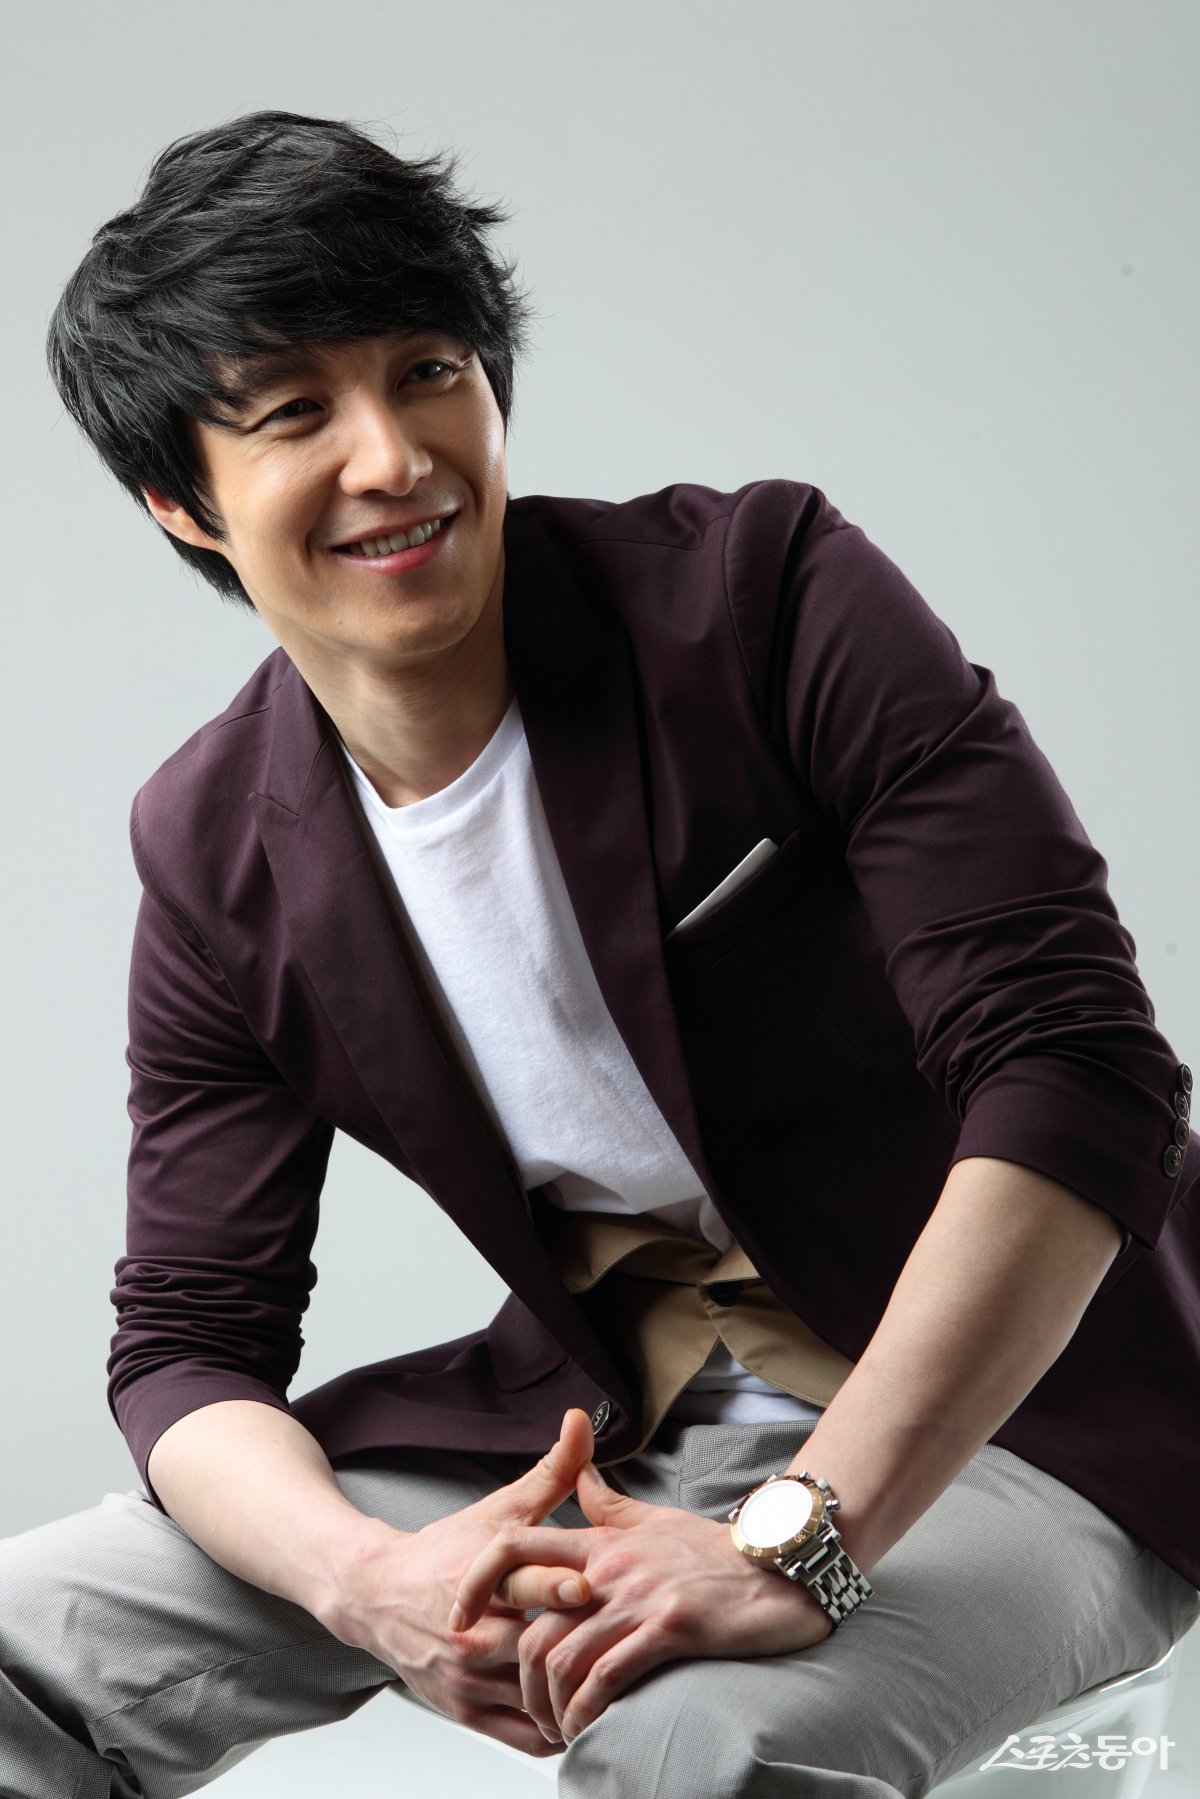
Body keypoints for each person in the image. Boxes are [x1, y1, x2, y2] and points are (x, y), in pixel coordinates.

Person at [4, 106, 1197, 1799]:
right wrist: (367, 1580)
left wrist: (802, 1539)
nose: (394, 457)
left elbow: (1073, 1073)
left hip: (1026, 1413)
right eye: (293, 414)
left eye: (428, 372)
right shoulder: (212, 846)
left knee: (693, 1744)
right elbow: (190, 1337)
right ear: (180, 504)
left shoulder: (765, 600)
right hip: (606, 1416)